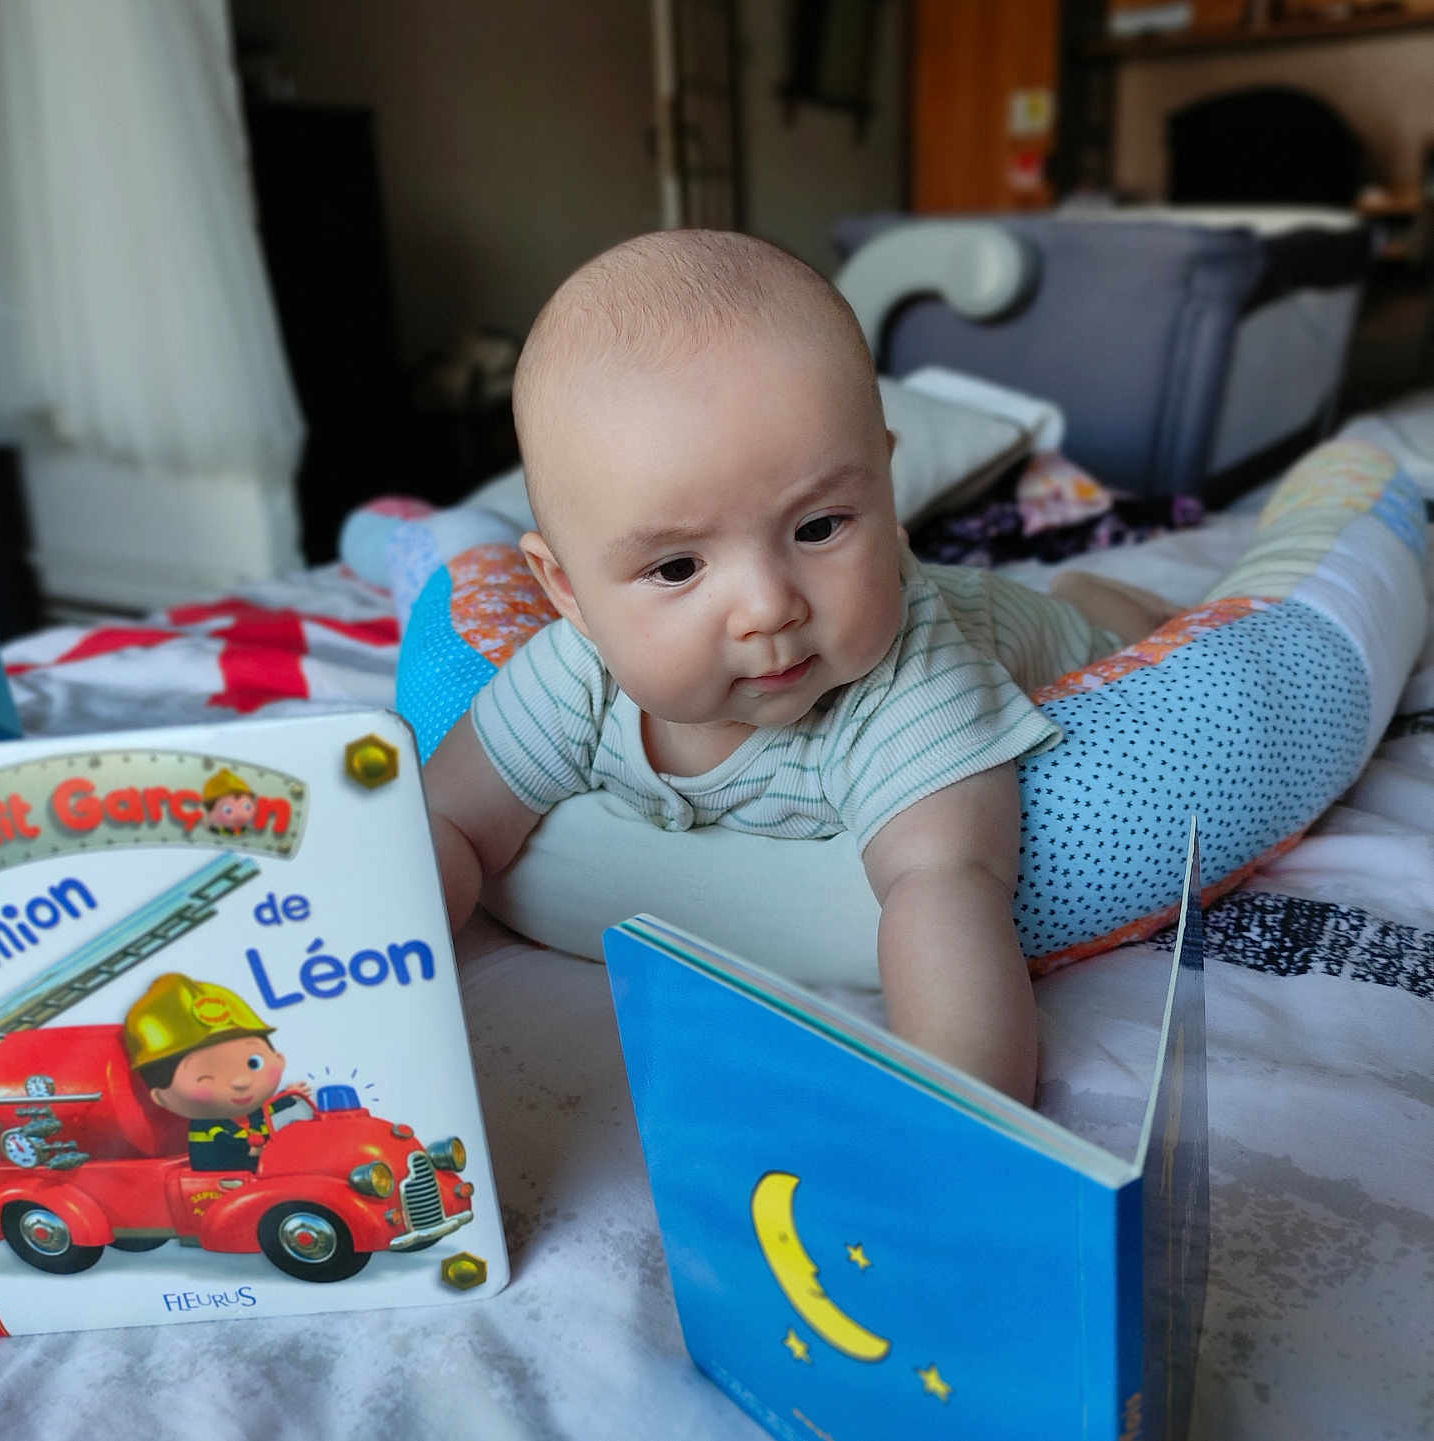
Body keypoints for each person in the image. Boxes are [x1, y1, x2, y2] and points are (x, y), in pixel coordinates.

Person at [424, 230, 1175, 1105]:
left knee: (1110, 632)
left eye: (819, 526)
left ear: (886, 495)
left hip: (1026, 632)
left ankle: (1103, 598)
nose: (769, 606)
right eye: (676, 569)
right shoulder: (571, 676)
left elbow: (944, 887)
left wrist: (961, 1122)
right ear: (568, 592)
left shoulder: (908, 681)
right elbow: (443, 820)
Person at [125, 972, 313, 1170]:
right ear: (162, 1097)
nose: (240, 1081)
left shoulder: (254, 1113)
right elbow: (226, 1142)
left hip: (257, 1172)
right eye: (206, 1076)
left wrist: (290, 1095)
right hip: (227, 1176)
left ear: (278, 1059)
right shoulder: (206, 1123)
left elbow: (270, 1108)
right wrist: (255, 1149)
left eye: (253, 1063)